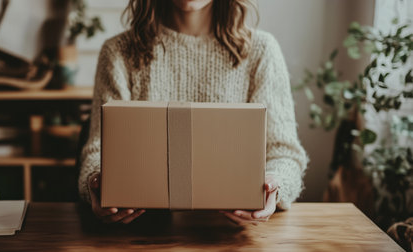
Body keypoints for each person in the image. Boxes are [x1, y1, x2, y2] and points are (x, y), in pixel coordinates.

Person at [79, 0, 308, 225]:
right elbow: (99, 150)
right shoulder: (118, 52)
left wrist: (272, 187)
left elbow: (284, 152)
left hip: (231, 234)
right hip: (140, 231)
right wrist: (98, 187)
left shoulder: (261, 51)